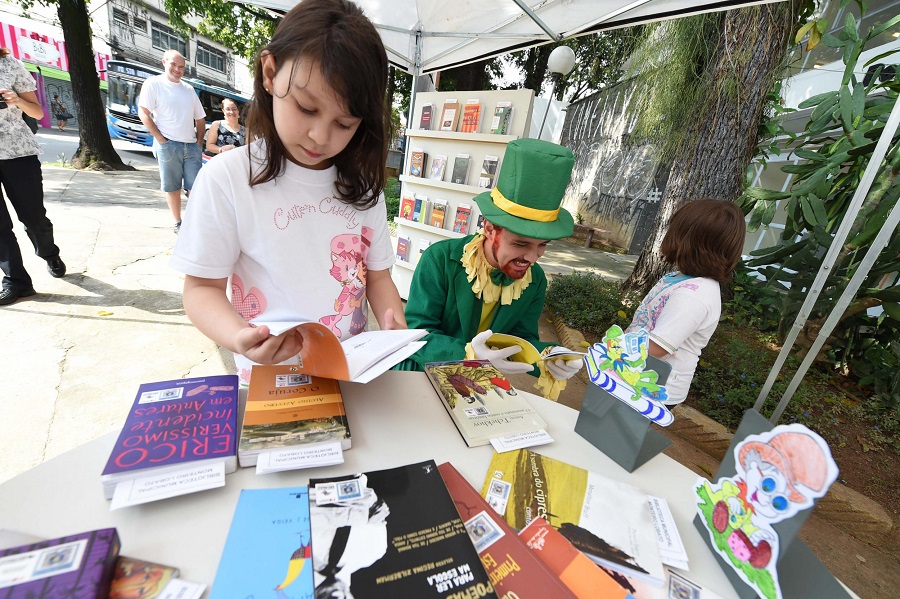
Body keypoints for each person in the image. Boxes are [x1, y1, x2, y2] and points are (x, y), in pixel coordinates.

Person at [169, 0, 406, 386]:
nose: (320, 136)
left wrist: (392, 317)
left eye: (344, 123)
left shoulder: (363, 188)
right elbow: (200, 289)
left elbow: (378, 277)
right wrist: (238, 338)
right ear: (270, 72)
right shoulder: (228, 179)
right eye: (307, 108)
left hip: (350, 377)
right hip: (271, 381)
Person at [400, 138, 584, 400]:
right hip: (420, 378)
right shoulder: (439, 259)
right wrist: (467, 354)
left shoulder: (535, 280)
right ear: (488, 229)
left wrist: (549, 357)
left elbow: (521, 338)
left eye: (543, 245)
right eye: (521, 244)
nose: (532, 257)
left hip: (474, 386)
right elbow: (416, 334)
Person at [625, 199, 745, 406]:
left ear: (685, 240)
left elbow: (658, 348)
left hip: (653, 388)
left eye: (672, 229)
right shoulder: (681, 280)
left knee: (613, 433)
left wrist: (611, 351)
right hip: (639, 375)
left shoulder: (693, 296)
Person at [0, 48, 66, 307]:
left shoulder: (10, 65)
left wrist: (16, 100)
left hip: (18, 153)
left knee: (33, 217)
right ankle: (17, 281)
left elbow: (37, 112)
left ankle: (49, 254)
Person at [138, 49, 206, 234]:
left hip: (191, 146)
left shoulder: (189, 89)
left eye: (181, 67)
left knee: (195, 187)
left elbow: (200, 119)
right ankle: (178, 222)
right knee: (173, 186)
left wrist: (199, 143)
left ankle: (194, 222)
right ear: (164, 62)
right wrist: (161, 139)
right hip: (168, 145)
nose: (177, 69)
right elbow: (143, 113)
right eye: (173, 65)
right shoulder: (153, 84)